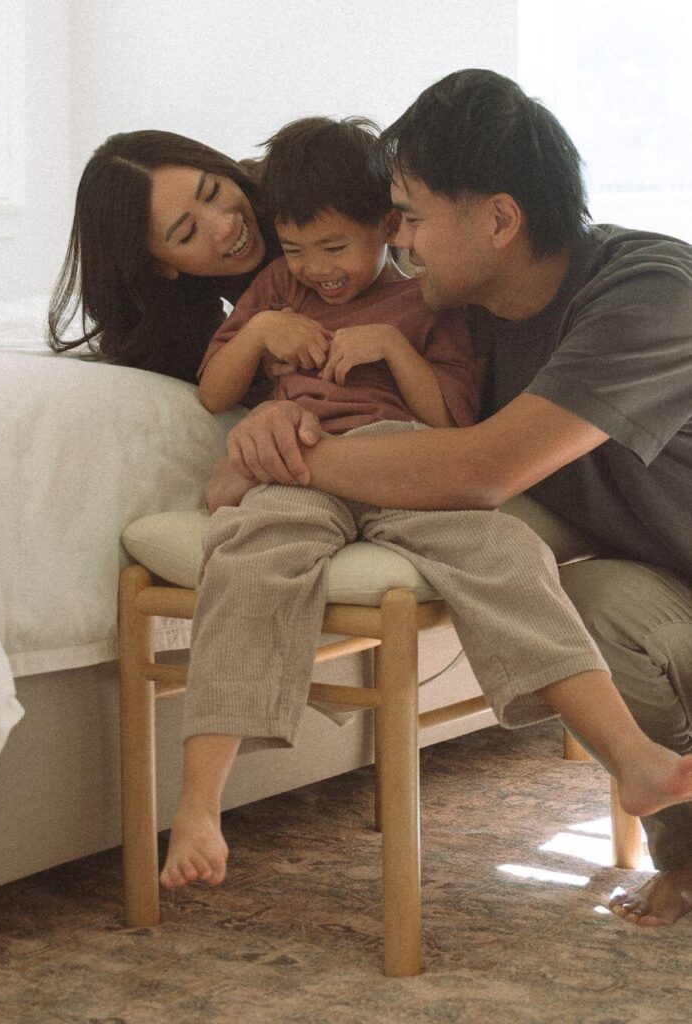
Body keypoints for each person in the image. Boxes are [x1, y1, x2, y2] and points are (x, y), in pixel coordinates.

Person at [209, 70, 692, 927]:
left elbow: (479, 471)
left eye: (413, 216)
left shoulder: (650, 291)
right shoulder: (464, 322)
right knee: (591, 607)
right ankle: (687, 859)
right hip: (660, 580)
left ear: (500, 220)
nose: (395, 239)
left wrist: (283, 455)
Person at [47, 130, 277, 383]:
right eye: (188, 233)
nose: (226, 226)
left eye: (213, 191)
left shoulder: (292, 193)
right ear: (160, 266)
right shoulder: (173, 323)